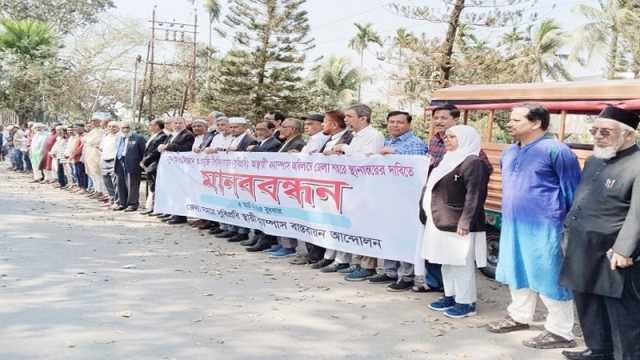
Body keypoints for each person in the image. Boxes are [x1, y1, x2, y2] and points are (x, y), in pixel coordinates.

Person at [487, 103, 581, 350]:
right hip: (514, 223)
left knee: (549, 274)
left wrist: (569, 227)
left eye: (516, 120)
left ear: (536, 123)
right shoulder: (509, 152)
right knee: (516, 269)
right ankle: (519, 316)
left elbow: (573, 192)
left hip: (546, 226)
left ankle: (561, 331)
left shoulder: (558, 151)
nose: (510, 124)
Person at [560, 106, 640, 360]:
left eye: (605, 132)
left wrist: (624, 249)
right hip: (582, 245)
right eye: (594, 130)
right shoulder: (595, 159)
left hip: (613, 252)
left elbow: (638, 213)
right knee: (587, 304)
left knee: (621, 313)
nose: (597, 136)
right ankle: (598, 351)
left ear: (628, 135)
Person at [418, 125, 490, 318]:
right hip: (439, 220)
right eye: (446, 137)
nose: (447, 140)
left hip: (458, 223)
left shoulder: (473, 162)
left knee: (461, 264)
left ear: (465, 138)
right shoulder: (447, 160)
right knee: (445, 261)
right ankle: (450, 295)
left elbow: (475, 195)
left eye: (452, 137)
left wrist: (465, 221)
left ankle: (466, 302)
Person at [368, 111, 428, 290]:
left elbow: (414, 167)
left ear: (409, 124)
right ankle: (389, 271)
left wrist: (395, 153)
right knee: (389, 233)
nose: (395, 125)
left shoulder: (414, 143)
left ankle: (407, 275)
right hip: (389, 196)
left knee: (405, 236)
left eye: (399, 122)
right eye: (391, 122)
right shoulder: (388, 141)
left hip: (407, 199)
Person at [332, 104, 385, 281]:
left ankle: (368, 266)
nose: (345, 119)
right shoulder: (355, 136)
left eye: (349, 116)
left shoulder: (374, 136)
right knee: (356, 226)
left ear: (363, 118)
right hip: (354, 187)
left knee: (367, 227)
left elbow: (368, 160)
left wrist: (344, 149)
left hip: (368, 189)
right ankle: (357, 262)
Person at [316, 110, 354, 272]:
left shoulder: (349, 138)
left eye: (325, 121)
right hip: (327, 186)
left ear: (333, 124)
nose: (323, 125)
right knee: (329, 223)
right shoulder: (329, 139)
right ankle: (329, 256)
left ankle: (341, 259)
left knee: (341, 224)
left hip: (344, 186)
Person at [269, 118, 307, 257]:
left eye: (283, 126)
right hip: (279, 182)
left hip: (289, 185)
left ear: (292, 129)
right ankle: (282, 243)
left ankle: (289, 246)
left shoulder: (298, 143)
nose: (280, 129)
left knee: (287, 215)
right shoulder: (287, 142)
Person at [242, 120, 283, 251]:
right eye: (257, 129)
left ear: (271, 130)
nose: (259, 132)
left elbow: (267, 158)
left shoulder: (275, 143)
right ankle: (258, 236)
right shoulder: (259, 142)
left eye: (263, 129)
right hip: (256, 180)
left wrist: (255, 149)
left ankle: (266, 240)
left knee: (266, 212)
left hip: (267, 182)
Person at [215, 117, 257, 240]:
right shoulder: (232, 139)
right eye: (231, 127)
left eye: (236, 127)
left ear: (244, 127)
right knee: (231, 204)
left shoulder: (250, 140)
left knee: (241, 206)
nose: (233, 129)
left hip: (243, 177)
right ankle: (232, 229)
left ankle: (242, 232)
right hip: (230, 175)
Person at [158, 117, 195, 224]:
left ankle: (180, 217)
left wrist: (167, 146)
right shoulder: (171, 134)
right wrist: (161, 147)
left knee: (179, 192)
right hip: (170, 168)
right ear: (172, 124)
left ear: (184, 124)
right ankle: (173, 213)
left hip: (181, 169)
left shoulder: (188, 135)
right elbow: (164, 146)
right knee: (172, 191)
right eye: (175, 123)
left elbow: (186, 148)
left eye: (180, 123)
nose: (177, 125)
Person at [113, 122, 146, 211]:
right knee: (120, 183)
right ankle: (122, 203)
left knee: (132, 184)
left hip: (133, 164)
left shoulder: (138, 138)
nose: (125, 130)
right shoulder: (119, 138)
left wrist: (142, 163)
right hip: (120, 162)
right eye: (123, 128)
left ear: (131, 128)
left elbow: (144, 152)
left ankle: (133, 204)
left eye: (127, 127)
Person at [140, 119, 169, 215]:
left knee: (156, 187)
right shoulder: (153, 136)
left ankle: (156, 208)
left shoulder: (163, 136)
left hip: (155, 164)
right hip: (150, 165)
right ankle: (151, 207)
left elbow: (155, 152)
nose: (149, 126)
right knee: (152, 186)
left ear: (157, 126)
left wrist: (145, 161)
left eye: (151, 125)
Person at [84, 116, 106, 201]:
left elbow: (92, 141)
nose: (93, 123)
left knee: (97, 173)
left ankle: (100, 191)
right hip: (89, 153)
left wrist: (87, 140)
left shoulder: (101, 131)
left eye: (95, 121)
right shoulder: (92, 131)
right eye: (92, 121)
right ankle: (96, 190)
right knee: (92, 173)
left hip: (96, 153)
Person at [99, 121, 121, 207]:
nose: (111, 128)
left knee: (115, 182)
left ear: (118, 128)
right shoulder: (106, 137)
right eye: (109, 126)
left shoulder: (120, 137)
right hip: (104, 160)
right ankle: (111, 199)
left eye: (114, 126)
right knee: (107, 181)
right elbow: (101, 148)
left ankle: (117, 201)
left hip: (114, 160)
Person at [70, 123, 88, 192]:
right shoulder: (77, 136)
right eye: (75, 128)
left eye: (78, 128)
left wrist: (73, 154)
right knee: (77, 173)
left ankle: (84, 188)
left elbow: (81, 147)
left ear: (83, 128)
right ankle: (80, 186)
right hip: (75, 158)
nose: (76, 129)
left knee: (82, 173)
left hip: (81, 157)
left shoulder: (85, 136)